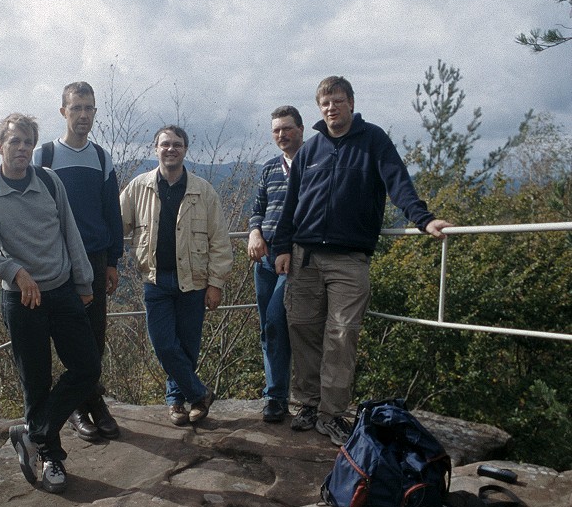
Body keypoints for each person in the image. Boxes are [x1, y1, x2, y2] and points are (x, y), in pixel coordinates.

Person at [273, 76, 453, 446]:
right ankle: (307, 405)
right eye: (325, 103)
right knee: (303, 329)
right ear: (319, 107)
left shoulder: (374, 141)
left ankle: (332, 413)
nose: (331, 108)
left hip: (349, 259)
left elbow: (398, 183)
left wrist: (423, 218)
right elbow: (292, 202)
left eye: (338, 101)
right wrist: (282, 247)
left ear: (351, 103)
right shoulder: (311, 148)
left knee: (341, 335)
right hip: (305, 256)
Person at [0, 113, 101, 494]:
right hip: (22, 300)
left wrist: (84, 281)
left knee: (87, 367)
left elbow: (70, 231)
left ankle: (32, 434)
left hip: (62, 290)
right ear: (0, 146)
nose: (22, 149)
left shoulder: (50, 182)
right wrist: (14, 271)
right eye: (15, 142)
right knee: (35, 381)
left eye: (28, 143)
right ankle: (51, 457)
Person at [120, 125, 233, 426]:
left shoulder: (203, 190)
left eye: (177, 144)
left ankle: (177, 403)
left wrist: (216, 283)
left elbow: (220, 241)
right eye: (165, 144)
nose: (171, 149)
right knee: (163, 343)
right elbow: (118, 225)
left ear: (185, 149)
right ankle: (199, 393)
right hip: (156, 279)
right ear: (154, 148)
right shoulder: (138, 188)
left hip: (194, 280)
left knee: (187, 345)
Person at [33, 81, 122, 442]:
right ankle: (78, 406)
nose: (83, 115)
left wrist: (114, 260)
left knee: (95, 332)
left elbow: (111, 213)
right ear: (63, 111)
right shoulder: (45, 156)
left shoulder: (101, 158)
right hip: (57, 260)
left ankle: (91, 401)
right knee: (69, 334)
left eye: (89, 109)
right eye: (77, 108)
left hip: (96, 258)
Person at [247, 105, 304, 424]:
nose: (281, 135)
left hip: (293, 259)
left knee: (276, 319)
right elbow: (257, 208)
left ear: (301, 129)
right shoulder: (270, 168)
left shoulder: (313, 164)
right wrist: (255, 231)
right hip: (264, 258)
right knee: (268, 329)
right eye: (276, 130)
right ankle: (275, 396)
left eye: (287, 128)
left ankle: (279, 396)